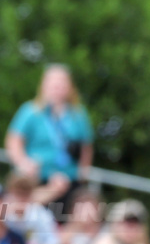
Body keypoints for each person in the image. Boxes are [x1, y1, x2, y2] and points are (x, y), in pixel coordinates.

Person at [6, 64, 93, 206]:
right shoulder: (31, 111)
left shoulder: (78, 114)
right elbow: (14, 141)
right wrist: (23, 162)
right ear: (44, 85)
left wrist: (82, 173)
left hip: (69, 179)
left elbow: (86, 146)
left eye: (61, 84)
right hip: (38, 178)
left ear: (69, 87)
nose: (57, 88)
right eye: (53, 84)